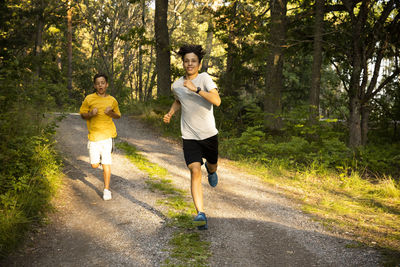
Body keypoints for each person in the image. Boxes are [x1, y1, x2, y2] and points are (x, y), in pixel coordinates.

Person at [163, 44, 221, 230]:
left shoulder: (204, 79)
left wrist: (196, 89)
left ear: (199, 63)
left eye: (193, 61)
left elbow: (217, 101)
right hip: (189, 136)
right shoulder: (177, 85)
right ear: (183, 63)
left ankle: (212, 171)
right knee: (195, 171)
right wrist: (171, 113)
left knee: (211, 165)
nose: (190, 64)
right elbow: (179, 100)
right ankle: (200, 213)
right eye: (186, 61)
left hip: (209, 134)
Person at [80, 73, 121, 201]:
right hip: (94, 137)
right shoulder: (89, 99)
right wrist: (91, 114)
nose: (100, 85)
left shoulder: (112, 100)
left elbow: (118, 116)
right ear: (95, 85)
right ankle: (100, 160)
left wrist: (111, 113)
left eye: (102, 83)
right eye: (98, 83)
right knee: (94, 165)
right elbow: (82, 114)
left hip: (107, 136)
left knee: (107, 163)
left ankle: (106, 189)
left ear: (106, 84)